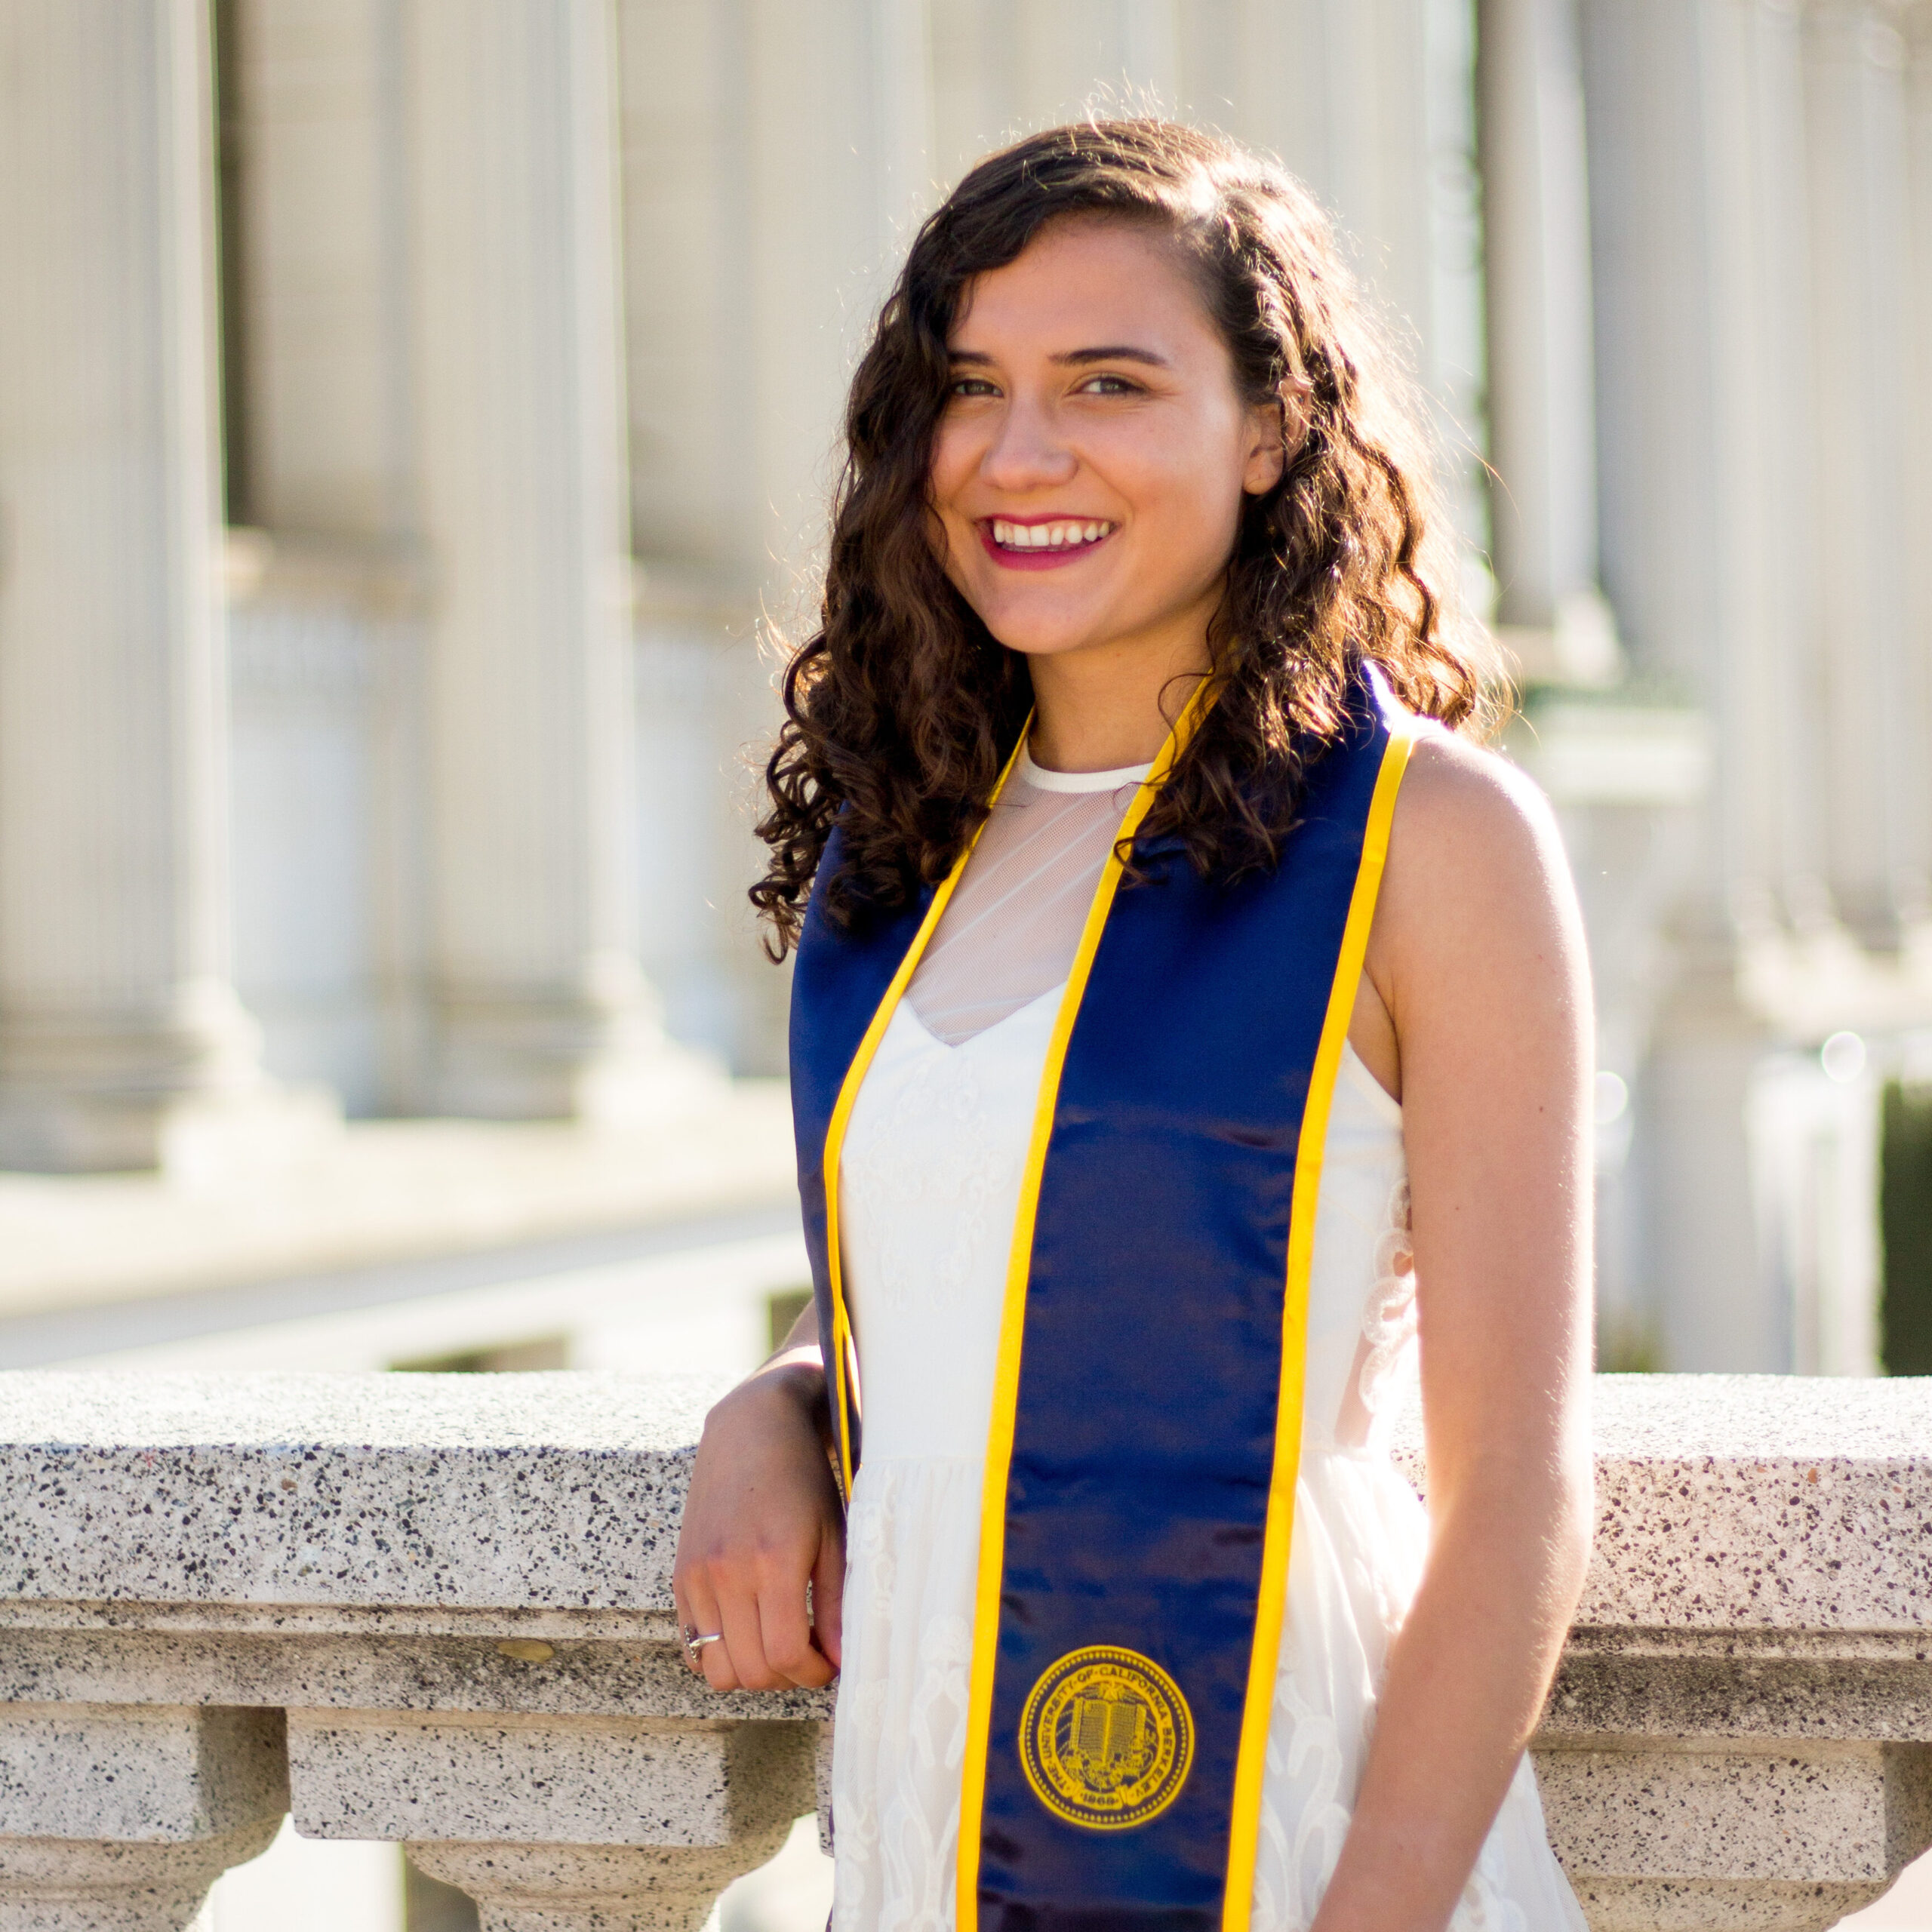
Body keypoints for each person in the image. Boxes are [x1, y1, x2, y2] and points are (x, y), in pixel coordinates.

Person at [675, 119, 1595, 1932]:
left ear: (1267, 427)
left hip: (1296, 1789)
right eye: (968, 386)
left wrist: (1374, 1911)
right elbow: (979, 1242)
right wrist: (781, 1391)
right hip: (932, 1795)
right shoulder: (908, 847)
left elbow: (1517, 1486)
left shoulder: (1427, 842)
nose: (1020, 454)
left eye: (1107, 381)